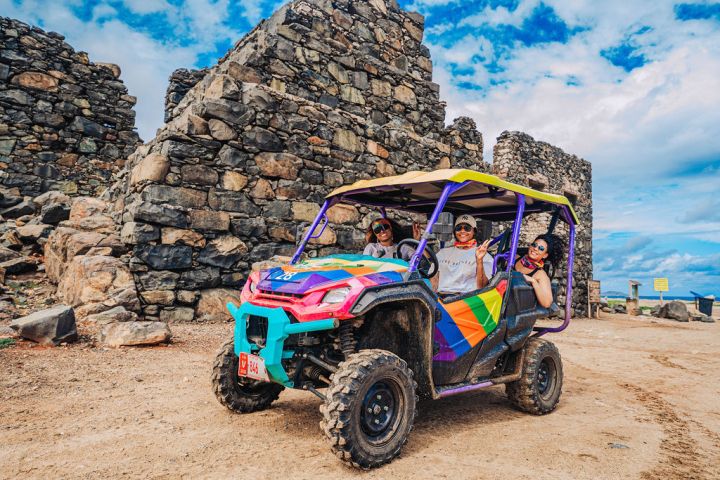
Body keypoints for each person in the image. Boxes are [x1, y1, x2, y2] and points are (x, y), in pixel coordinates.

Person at [431, 214, 494, 297]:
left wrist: (479, 261)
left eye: (467, 228)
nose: (462, 231)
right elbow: (433, 280)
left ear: (474, 231)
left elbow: (482, 287)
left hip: (467, 300)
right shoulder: (442, 253)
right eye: (459, 228)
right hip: (441, 299)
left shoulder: (484, 256)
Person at [513, 233, 564, 308]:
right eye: (534, 245)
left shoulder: (540, 275)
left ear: (545, 255)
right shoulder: (514, 258)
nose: (535, 249)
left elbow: (547, 303)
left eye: (541, 248)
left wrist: (533, 281)